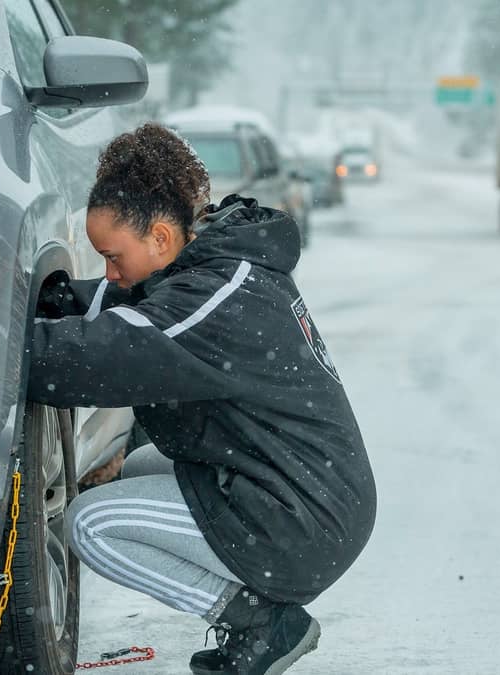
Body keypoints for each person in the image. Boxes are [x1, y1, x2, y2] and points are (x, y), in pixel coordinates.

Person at [27, 123, 377, 675]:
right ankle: (259, 603)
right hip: (300, 493)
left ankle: (260, 622)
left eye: (112, 256)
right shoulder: (219, 265)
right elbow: (130, 300)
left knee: (91, 524)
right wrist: (58, 301)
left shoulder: (214, 298)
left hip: (299, 523)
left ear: (162, 238)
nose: (110, 272)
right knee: (141, 467)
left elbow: (103, 353)